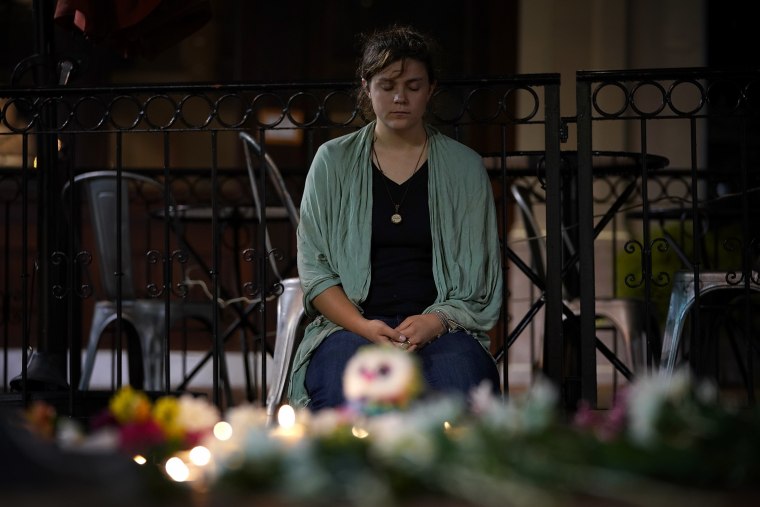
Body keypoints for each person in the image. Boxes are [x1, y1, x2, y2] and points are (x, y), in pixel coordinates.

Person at [288, 25, 503, 410]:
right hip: (351, 325)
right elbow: (316, 272)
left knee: (459, 393)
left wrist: (433, 322)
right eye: (387, 85)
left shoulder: (464, 167)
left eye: (413, 86)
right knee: (344, 396)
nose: (400, 97)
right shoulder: (332, 162)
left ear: (431, 89)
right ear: (367, 87)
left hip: (441, 327)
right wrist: (364, 327)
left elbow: (478, 280)